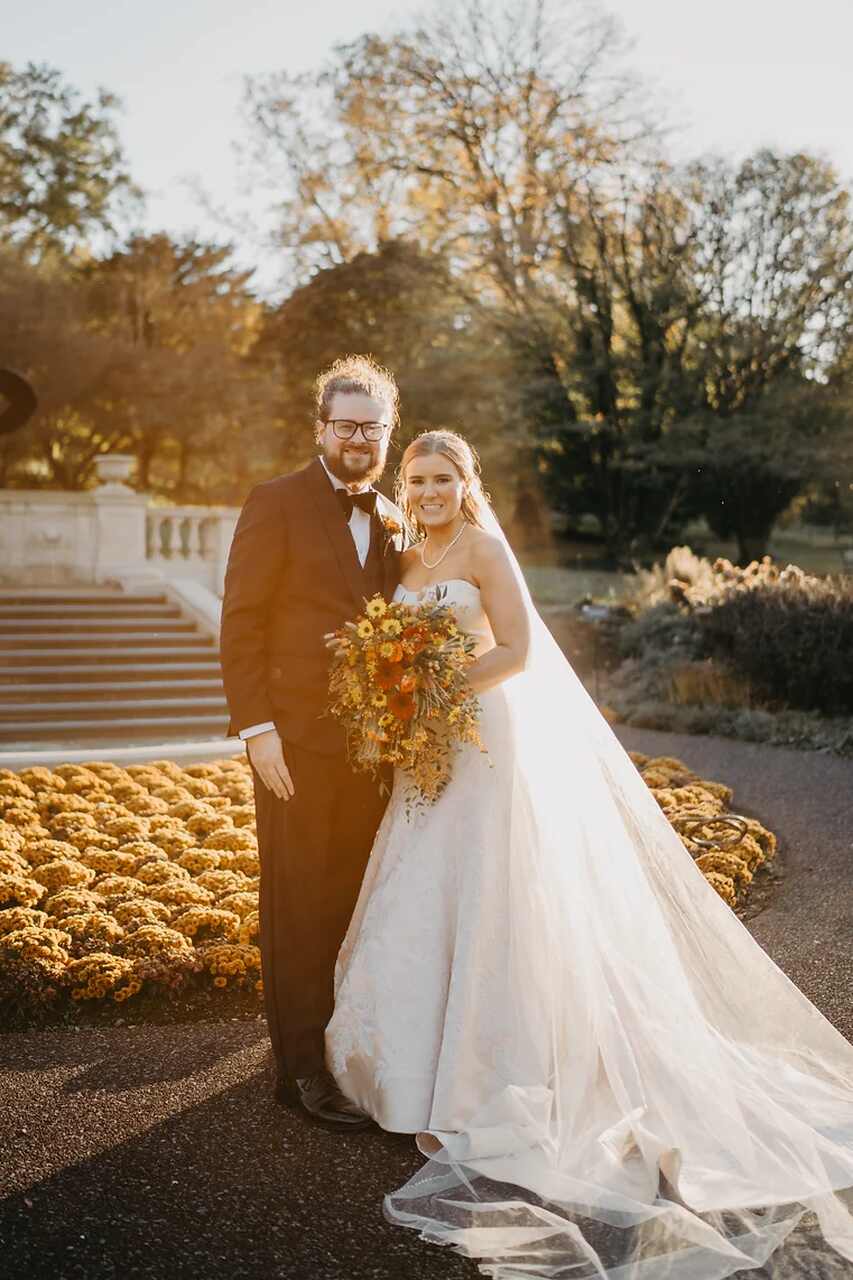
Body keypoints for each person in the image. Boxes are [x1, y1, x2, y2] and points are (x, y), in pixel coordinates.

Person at [325, 428, 853, 1279]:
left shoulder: (484, 547)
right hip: (428, 750)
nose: (426, 490)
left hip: (484, 742)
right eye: (416, 478)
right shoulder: (404, 550)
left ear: (468, 481)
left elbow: (519, 651)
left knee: (491, 892)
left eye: (442, 477)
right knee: (421, 891)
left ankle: (485, 1078)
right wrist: (399, 698)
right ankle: (413, 1068)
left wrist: (433, 686)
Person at [219, 354, 408, 1130]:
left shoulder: (396, 516)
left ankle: (330, 1050)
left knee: (348, 905)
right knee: (296, 904)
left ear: (388, 434)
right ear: (320, 429)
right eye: (346, 424)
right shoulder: (276, 502)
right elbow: (242, 622)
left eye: (373, 426)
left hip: (373, 752)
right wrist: (257, 730)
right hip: (292, 745)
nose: (358, 438)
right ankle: (299, 1072)